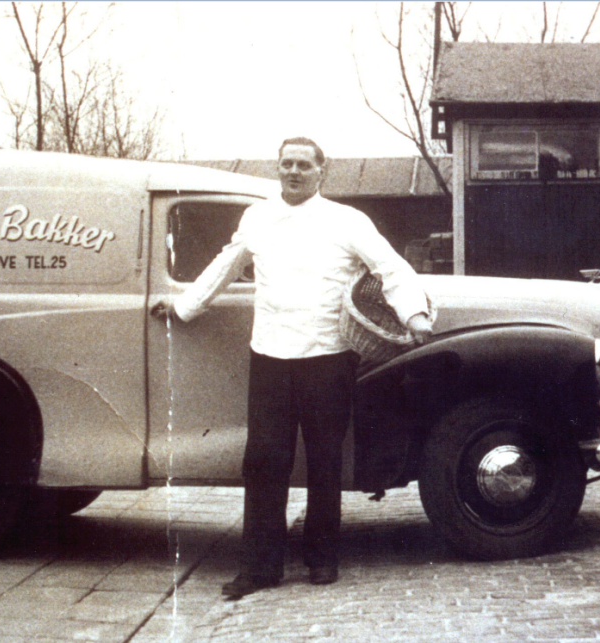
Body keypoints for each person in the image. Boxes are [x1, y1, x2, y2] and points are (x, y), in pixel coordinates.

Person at [158, 137, 432, 599]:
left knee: (325, 460)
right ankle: (260, 568)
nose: (294, 171)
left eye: (304, 164)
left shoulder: (348, 221)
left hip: (328, 358)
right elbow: (227, 264)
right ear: (277, 169)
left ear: (322, 171)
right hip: (269, 356)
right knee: (263, 461)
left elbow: (392, 268)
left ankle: (322, 559)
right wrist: (184, 307)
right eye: (286, 163)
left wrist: (415, 315)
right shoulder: (258, 217)